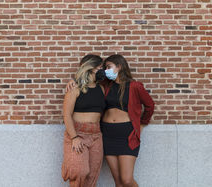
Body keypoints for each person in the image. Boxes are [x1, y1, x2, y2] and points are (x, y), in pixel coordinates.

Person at [66, 54, 155, 187]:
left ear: (119, 67)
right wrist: (72, 80)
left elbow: (150, 105)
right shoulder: (105, 85)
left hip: (126, 134)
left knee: (126, 180)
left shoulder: (135, 86)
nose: (105, 70)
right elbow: (87, 81)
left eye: (108, 67)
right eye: (104, 67)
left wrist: (143, 123)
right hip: (107, 134)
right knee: (118, 181)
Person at [61, 54, 106, 187]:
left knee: (92, 175)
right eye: (99, 68)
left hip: (96, 136)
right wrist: (74, 137)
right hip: (78, 133)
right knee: (80, 171)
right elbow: (67, 115)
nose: (102, 71)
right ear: (90, 68)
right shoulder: (74, 88)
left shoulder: (101, 89)